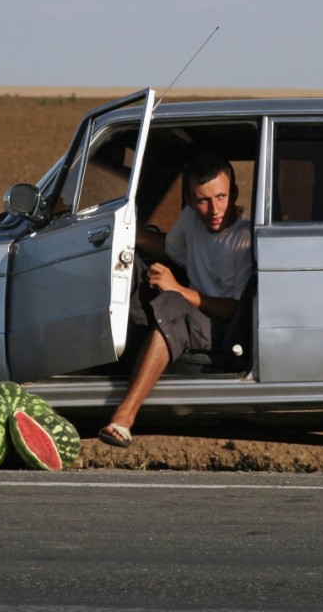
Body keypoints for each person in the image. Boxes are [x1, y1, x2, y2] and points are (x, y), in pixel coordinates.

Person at [98, 153, 252, 447]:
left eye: (221, 197)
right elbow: (170, 249)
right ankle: (78, 368)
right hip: (186, 313)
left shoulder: (244, 239)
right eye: (203, 200)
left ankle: (124, 416)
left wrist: (178, 289)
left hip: (222, 328)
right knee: (128, 267)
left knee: (172, 304)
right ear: (192, 201)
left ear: (234, 193)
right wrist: (126, 232)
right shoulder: (191, 218)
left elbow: (235, 311)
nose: (213, 209)